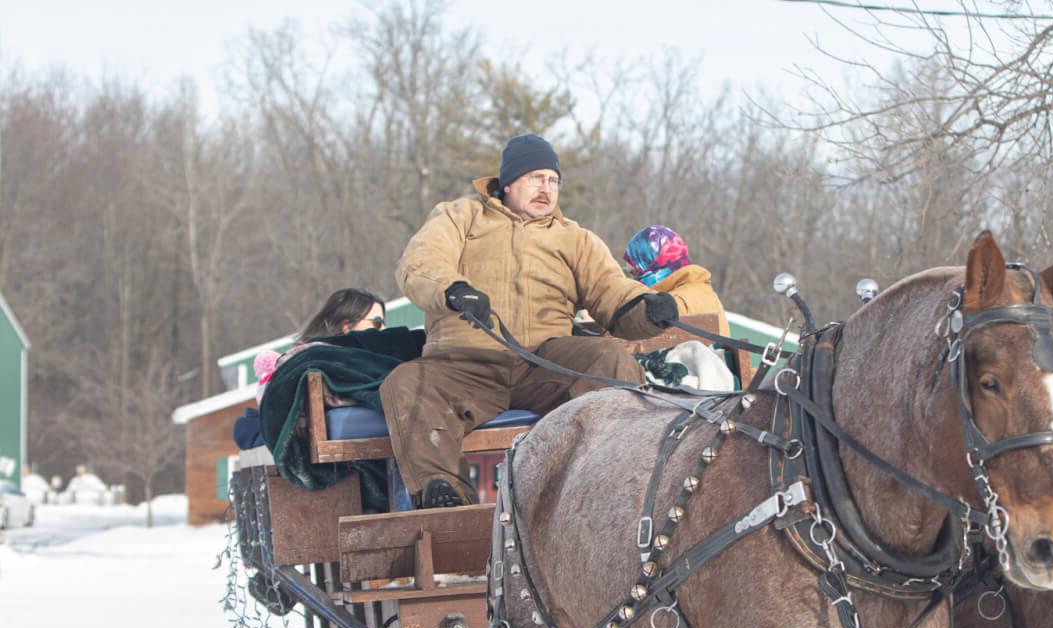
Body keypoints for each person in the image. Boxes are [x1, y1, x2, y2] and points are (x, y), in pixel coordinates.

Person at [383, 133, 679, 509]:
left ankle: (619, 480)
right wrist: (453, 289)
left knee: (610, 358)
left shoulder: (575, 238)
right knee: (407, 382)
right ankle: (444, 494)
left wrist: (644, 308)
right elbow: (420, 264)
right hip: (465, 363)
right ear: (508, 182)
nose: (546, 188)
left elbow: (611, 290)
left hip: (544, 361)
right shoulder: (460, 216)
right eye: (536, 178)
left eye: (553, 180)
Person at [254, 288, 387, 398]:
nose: (384, 329)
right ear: (347, 326)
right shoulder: (319, 360)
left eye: (384, 323)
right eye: (377, 322)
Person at [623, 224, 729, 336]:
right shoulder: (699, 291)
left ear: (654, 267)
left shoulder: (675, 305)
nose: (632, 281)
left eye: (634, 272)